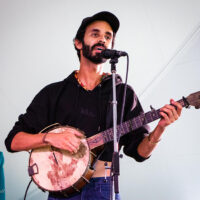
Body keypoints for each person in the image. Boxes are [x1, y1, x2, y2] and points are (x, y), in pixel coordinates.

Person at [5, 11, 182, 200]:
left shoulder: (123, 94)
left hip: (103, 188)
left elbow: (140, 152)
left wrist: (160, 129)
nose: (103, 40)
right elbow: (13, 141)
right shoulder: (54, 93)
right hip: (60, 193)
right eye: (95, 34)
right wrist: (49, 138)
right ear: (78, 43)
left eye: (108, 36)